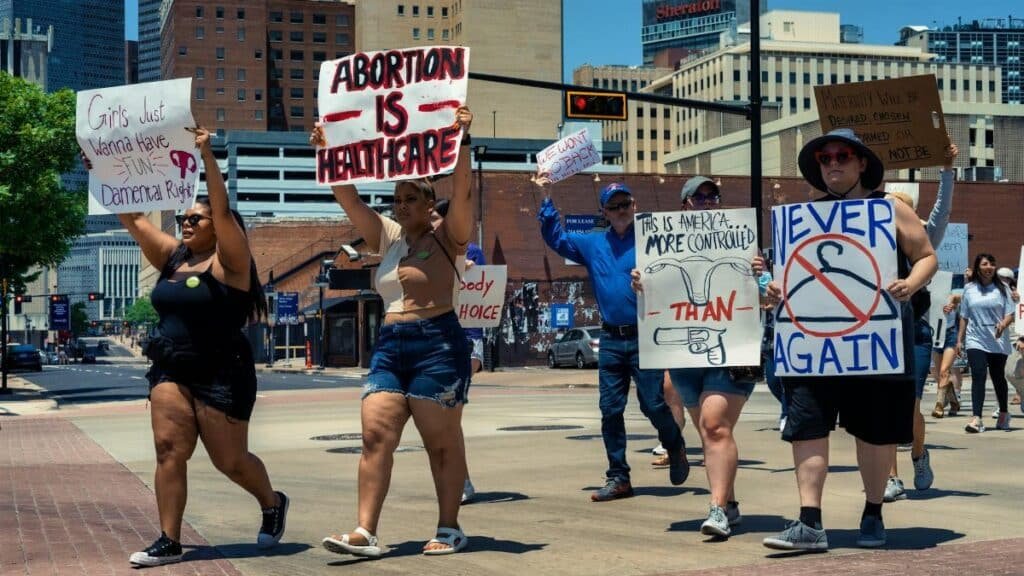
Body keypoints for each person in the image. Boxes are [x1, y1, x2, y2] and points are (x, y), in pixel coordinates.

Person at [86, 128, 288, 567]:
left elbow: (221, 209)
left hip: (222, 371)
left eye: (197, 218)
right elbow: (136, 221)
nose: (187, 224)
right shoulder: (175, 258)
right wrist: (102, 174)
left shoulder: (230, 262)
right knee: (168, 449)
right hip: (172, 369)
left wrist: (206, 157)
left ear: (219, 226)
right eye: (184, 220)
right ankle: (169, 539)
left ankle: (272, 502)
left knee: (229, 461)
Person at [762, 128, 937, 551]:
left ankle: (873, 513)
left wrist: (910, 285)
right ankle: (809, 522)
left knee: (875, 432)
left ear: (861, 163)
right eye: (825, 157)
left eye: (843, 155)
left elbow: (926, 256)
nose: (833, 163)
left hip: (876, 340)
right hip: (811, 343)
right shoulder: (801, 218)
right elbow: (784, 280)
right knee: (807, 426)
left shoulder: (890, 208)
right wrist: (771, 289)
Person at [313, 106, 474, 557]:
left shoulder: (450, 235)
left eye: (410, 198)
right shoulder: (390, 236)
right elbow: (349, 201)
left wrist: (462, 141)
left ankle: (449, 527)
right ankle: (365, 532)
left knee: (439, 443)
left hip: (438, 343)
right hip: (389, 345)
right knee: (374, 435)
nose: (400, 205)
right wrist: (328, 153)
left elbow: (462, 194)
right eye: (396, 199)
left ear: (428, 201)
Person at [536, 179, 688, 502]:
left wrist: (653, 280)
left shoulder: (652, 239)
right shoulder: (593, 244)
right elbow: (556, 238)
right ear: (603, 211)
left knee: (652, 403)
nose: (621, 210)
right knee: (609, 408)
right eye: (613, 206)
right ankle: (618, 476)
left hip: (645, 334)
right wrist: (546, 198)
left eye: (625, 204)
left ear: (634, 206)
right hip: (610, 339)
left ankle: (674, 444)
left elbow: (680, 272)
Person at [632, 176, 758, 538]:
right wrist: (641, 283)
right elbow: (651, 295)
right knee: (708, 433)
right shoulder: (661, 248)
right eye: (697, 196)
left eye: (711, 195)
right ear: (684, 204)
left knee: (715, 425)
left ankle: (717, 509)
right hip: (684, 357)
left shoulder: (742, 242)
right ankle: (730, 503)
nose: (705, 201)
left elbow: (767, 294)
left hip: (731, 350)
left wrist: (762, 278)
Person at [881, 142, 957, 502]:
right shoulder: (868, 241)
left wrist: (946, 169)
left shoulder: (924, 234)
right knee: (884, 407)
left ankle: (918, 454)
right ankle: (891, 477)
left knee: (909, 405)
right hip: (878, 331)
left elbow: (942, 210)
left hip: (914, 332)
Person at [431, 197, 483, 504]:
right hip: (439, 339)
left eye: (435, 217)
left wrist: (467, 271)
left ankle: (460, 481)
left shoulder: (470, 250)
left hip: (465, 339)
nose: (431, 222)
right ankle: (459, 478)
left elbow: (485, 295)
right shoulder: (428, 250)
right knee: (446, 416)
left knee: (450, 413)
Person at [958, 253, 1015, 433]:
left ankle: (1004, 412)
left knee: (998, 377)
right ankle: (977, 418)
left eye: (992, 263)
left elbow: (1010, 313)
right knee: (979, 374)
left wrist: (1003, 324)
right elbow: (964, 316)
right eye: (985, 264)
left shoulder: (1003, 288)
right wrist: (959, 340)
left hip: (997, 339)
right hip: (975, 338)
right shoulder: (969, 289)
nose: (989, 267)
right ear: (977, 267)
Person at [932, 294, 964, 418]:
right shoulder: (928, 295)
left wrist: (951, 302)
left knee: (944, 370)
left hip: (950, 335)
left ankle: (939, 405)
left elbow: (960, 297)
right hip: (936, 334)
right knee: (940, 374)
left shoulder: (951, 295)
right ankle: (954, 402)